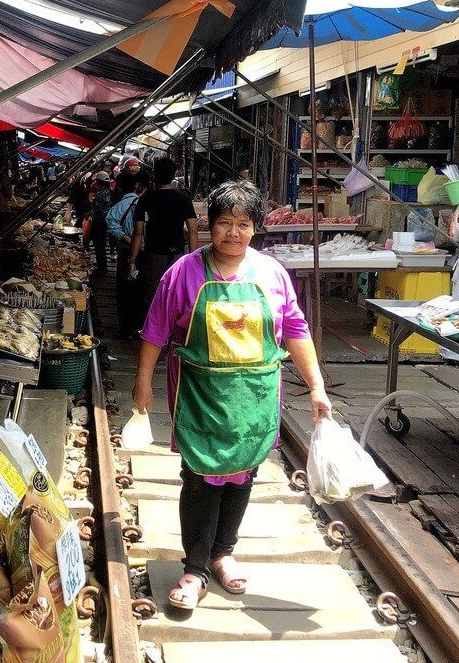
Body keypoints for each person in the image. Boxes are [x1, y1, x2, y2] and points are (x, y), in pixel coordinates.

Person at [132, 180, 331, 611]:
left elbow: (295, 330)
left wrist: (316, 385)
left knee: (243, 473)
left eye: (243, 224)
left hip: (254, 397)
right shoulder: (183, 271)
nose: (233, 233)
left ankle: (223, 553)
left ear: (256, 228)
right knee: (202, 476)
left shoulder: (272, 273)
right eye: (225, 223)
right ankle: (195, 568)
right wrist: (142, 381)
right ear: (209, 227)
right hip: (201, 395)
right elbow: (155, 331)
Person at [130, 155, 198, 313]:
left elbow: (138, 232)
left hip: (153, 255)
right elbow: (193, 230)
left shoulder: (146, 199)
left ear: (154, 175)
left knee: (153, 295)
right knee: (176, 293)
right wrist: (193, 258)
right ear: (173, 175)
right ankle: (171, 332)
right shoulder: (184, 199)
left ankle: (153, 332)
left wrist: (132, 261)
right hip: (177, 255)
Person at [106, 171, 146, 338]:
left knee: (123, 291)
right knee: (140, 290)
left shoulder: (120, 206)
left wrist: (128, 240)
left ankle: (125, 331)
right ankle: (139, 328)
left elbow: (111, 223)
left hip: (126, 252)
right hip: (145, 253)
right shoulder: (144, 204)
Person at [89, 170, 112, 276]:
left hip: (98, 222)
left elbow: (97, 208)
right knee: (101, 244)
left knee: (99, 245)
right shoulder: (109, 191)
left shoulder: (100, 192)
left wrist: (90, 212)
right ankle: (103, 267)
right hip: (105, 221)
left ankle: (102, 268)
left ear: (98, 181)